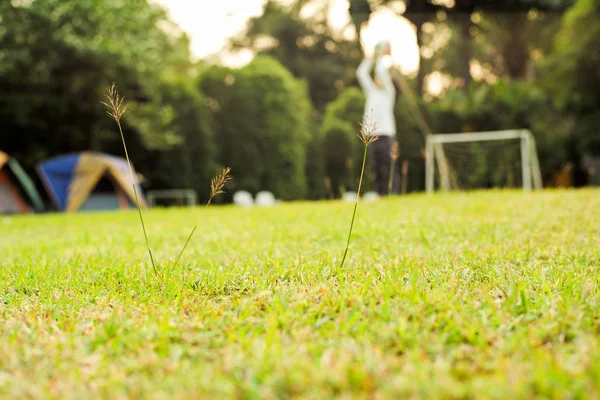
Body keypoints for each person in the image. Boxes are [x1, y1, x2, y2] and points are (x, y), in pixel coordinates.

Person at [356, 40, 399, 196]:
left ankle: (393, 193)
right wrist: (372, 57)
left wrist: (381, 56)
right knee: (377, 167)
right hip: (372, 135)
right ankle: (381, 193)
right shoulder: (371, 92)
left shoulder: (389, 93)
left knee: (389, 165)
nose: (378, 79)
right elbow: (360, 73)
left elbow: (381, 71)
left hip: (386, 134)